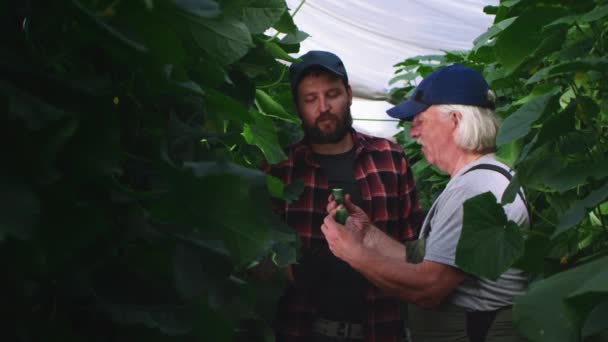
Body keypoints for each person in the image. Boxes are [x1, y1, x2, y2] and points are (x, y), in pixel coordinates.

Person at [321, 64, 529, 342]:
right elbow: (426, 263)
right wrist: (366, 233)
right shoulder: (480, 178)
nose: (413, 133)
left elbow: (430, 288)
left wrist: (352, 252)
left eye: (420, 120)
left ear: (455, 119)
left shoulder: (477, 188)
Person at [262, 50, 423, 342]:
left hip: (381, 327)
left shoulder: (389, 157)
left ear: (348, 94)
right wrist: (292, 272)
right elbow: (257, 256)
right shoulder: (281, 167)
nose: (323, 107)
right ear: (298, 107)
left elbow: (411, 246)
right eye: (311, 99)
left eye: (332, 94)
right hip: (302, 328)